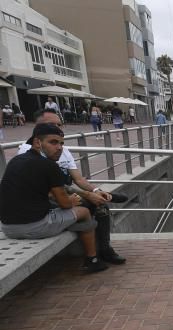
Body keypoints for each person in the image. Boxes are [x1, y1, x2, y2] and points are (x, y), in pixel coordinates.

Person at [18, 109, 126, 264]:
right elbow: (44, 190)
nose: (57, 128)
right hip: (49, 198)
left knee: (98, 202)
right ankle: (96, 255)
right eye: (51, 125)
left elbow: (78, 179)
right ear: (38, 130)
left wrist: (96, 190)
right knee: (94, 205)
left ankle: (104, 248)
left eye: (59, 125)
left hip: (65, 191)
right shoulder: (28, 152)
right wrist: (87, 196)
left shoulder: (63, 150)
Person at [0, 123, 107, 272]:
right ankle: (92, 259)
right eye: (53, 142)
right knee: (84, 211)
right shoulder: (49, 166)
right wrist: (72, 201)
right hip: (34, 227)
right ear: (37, 142)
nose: (59, 147)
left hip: (7, 227)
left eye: (61, 143)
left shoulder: (16, 161)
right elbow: (65, 204)